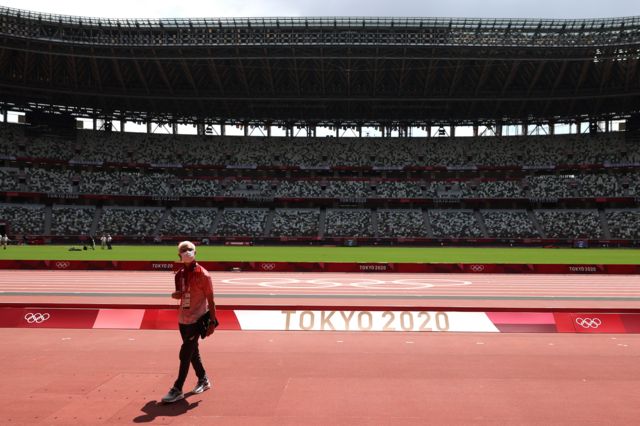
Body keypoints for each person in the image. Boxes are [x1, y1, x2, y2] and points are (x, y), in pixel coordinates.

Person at [161, 241, 216, 404]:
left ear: (195, 252)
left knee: (185, 353)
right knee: (192, 352)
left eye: (190, 249)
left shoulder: (204, 275)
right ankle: (203, 379)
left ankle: (177, 388)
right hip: (182, 318)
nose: (187, 252)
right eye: (183, 250)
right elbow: (181, 294)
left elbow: (211, 300)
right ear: (179, 255)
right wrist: (176, 295)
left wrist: (212, 322)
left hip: (197, 319)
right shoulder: (179, 274)